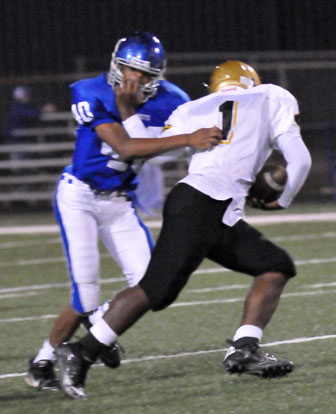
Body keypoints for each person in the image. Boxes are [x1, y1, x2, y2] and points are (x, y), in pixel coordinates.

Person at [54, 60, 312, 399]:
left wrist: (128, 110)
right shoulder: (271, 96)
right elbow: (301, 160)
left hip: (207, 207)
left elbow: (152, 153)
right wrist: (284, 199)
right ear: (252, 82)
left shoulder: (193, 108)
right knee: (156, 290)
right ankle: (80, 353)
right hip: (203, 205)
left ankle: (244, 347)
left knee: (275, 265)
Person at [25, 31, 221, 391]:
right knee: (85, 294)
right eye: (130, 70)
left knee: (153, 282)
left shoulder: (173, 100)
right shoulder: (88, 90)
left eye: (145, 74)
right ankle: (44, 360)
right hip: (79, 196)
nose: (136, 80)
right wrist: (180, 135)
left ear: (158, 76)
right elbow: (126, 147)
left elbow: (183, 148)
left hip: (119, 202)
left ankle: (97, 328)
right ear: (116, 66)